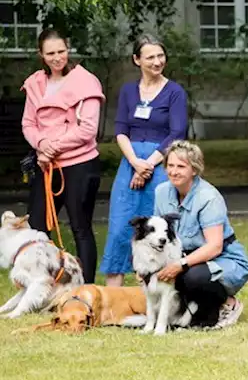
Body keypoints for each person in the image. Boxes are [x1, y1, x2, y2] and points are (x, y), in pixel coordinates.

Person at [102, 34, 189, 286]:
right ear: (136, 60)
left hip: (160, 165)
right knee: (120, 229)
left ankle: (150, 294)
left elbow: (176, 134)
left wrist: (147, 165)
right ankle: (113, 298)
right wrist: (134, 163)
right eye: (150, 57)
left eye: (160, 55)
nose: (157, 61)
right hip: (130, 165)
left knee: (156, 230)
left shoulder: (175, 92)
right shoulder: (129, 91)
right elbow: (120, 130)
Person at [21, 28, 105, 283]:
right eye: (51, 53)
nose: (57, 58)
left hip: (79, 164)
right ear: (41, 55)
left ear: (68, 50)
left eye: (61, 51)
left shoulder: (86, 82)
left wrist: (51, 147)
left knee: (80, 227)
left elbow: (88, 129)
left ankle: (87, 286)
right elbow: (28, 123)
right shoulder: (35, 82)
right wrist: (41, 144)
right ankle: (42, 282)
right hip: (45, 165)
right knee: (37, 226)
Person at [152, 141, 248, 329]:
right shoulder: (161, 192)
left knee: (192, 276)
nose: (174, 171)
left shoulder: (208, 197)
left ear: (195, 170)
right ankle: (196, 312)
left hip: (223, 259)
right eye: (170, 165)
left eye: (181, 166)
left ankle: (229, 304)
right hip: (185, 257)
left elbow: (215, 246)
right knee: (163, 274)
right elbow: (159, 233)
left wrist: (179, 265)